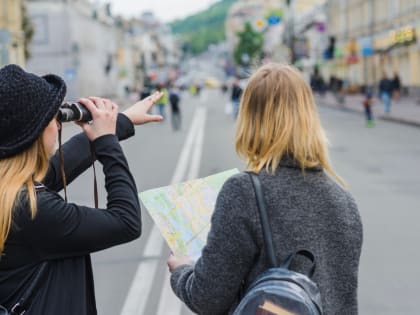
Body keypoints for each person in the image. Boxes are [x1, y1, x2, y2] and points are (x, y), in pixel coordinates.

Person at [167, 63, 363, 315]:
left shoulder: (245, 192)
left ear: (249, 118)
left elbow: (207, 298)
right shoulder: (344, 200)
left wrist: (181, 269)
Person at [0, 64, 163, 314]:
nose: (57, 125)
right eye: (53, 118)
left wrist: (120, 122)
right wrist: (107, 142)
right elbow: (126, 221)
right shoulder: (31, 211)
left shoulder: (9, 194)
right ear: (33, 133)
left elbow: (53, 171)